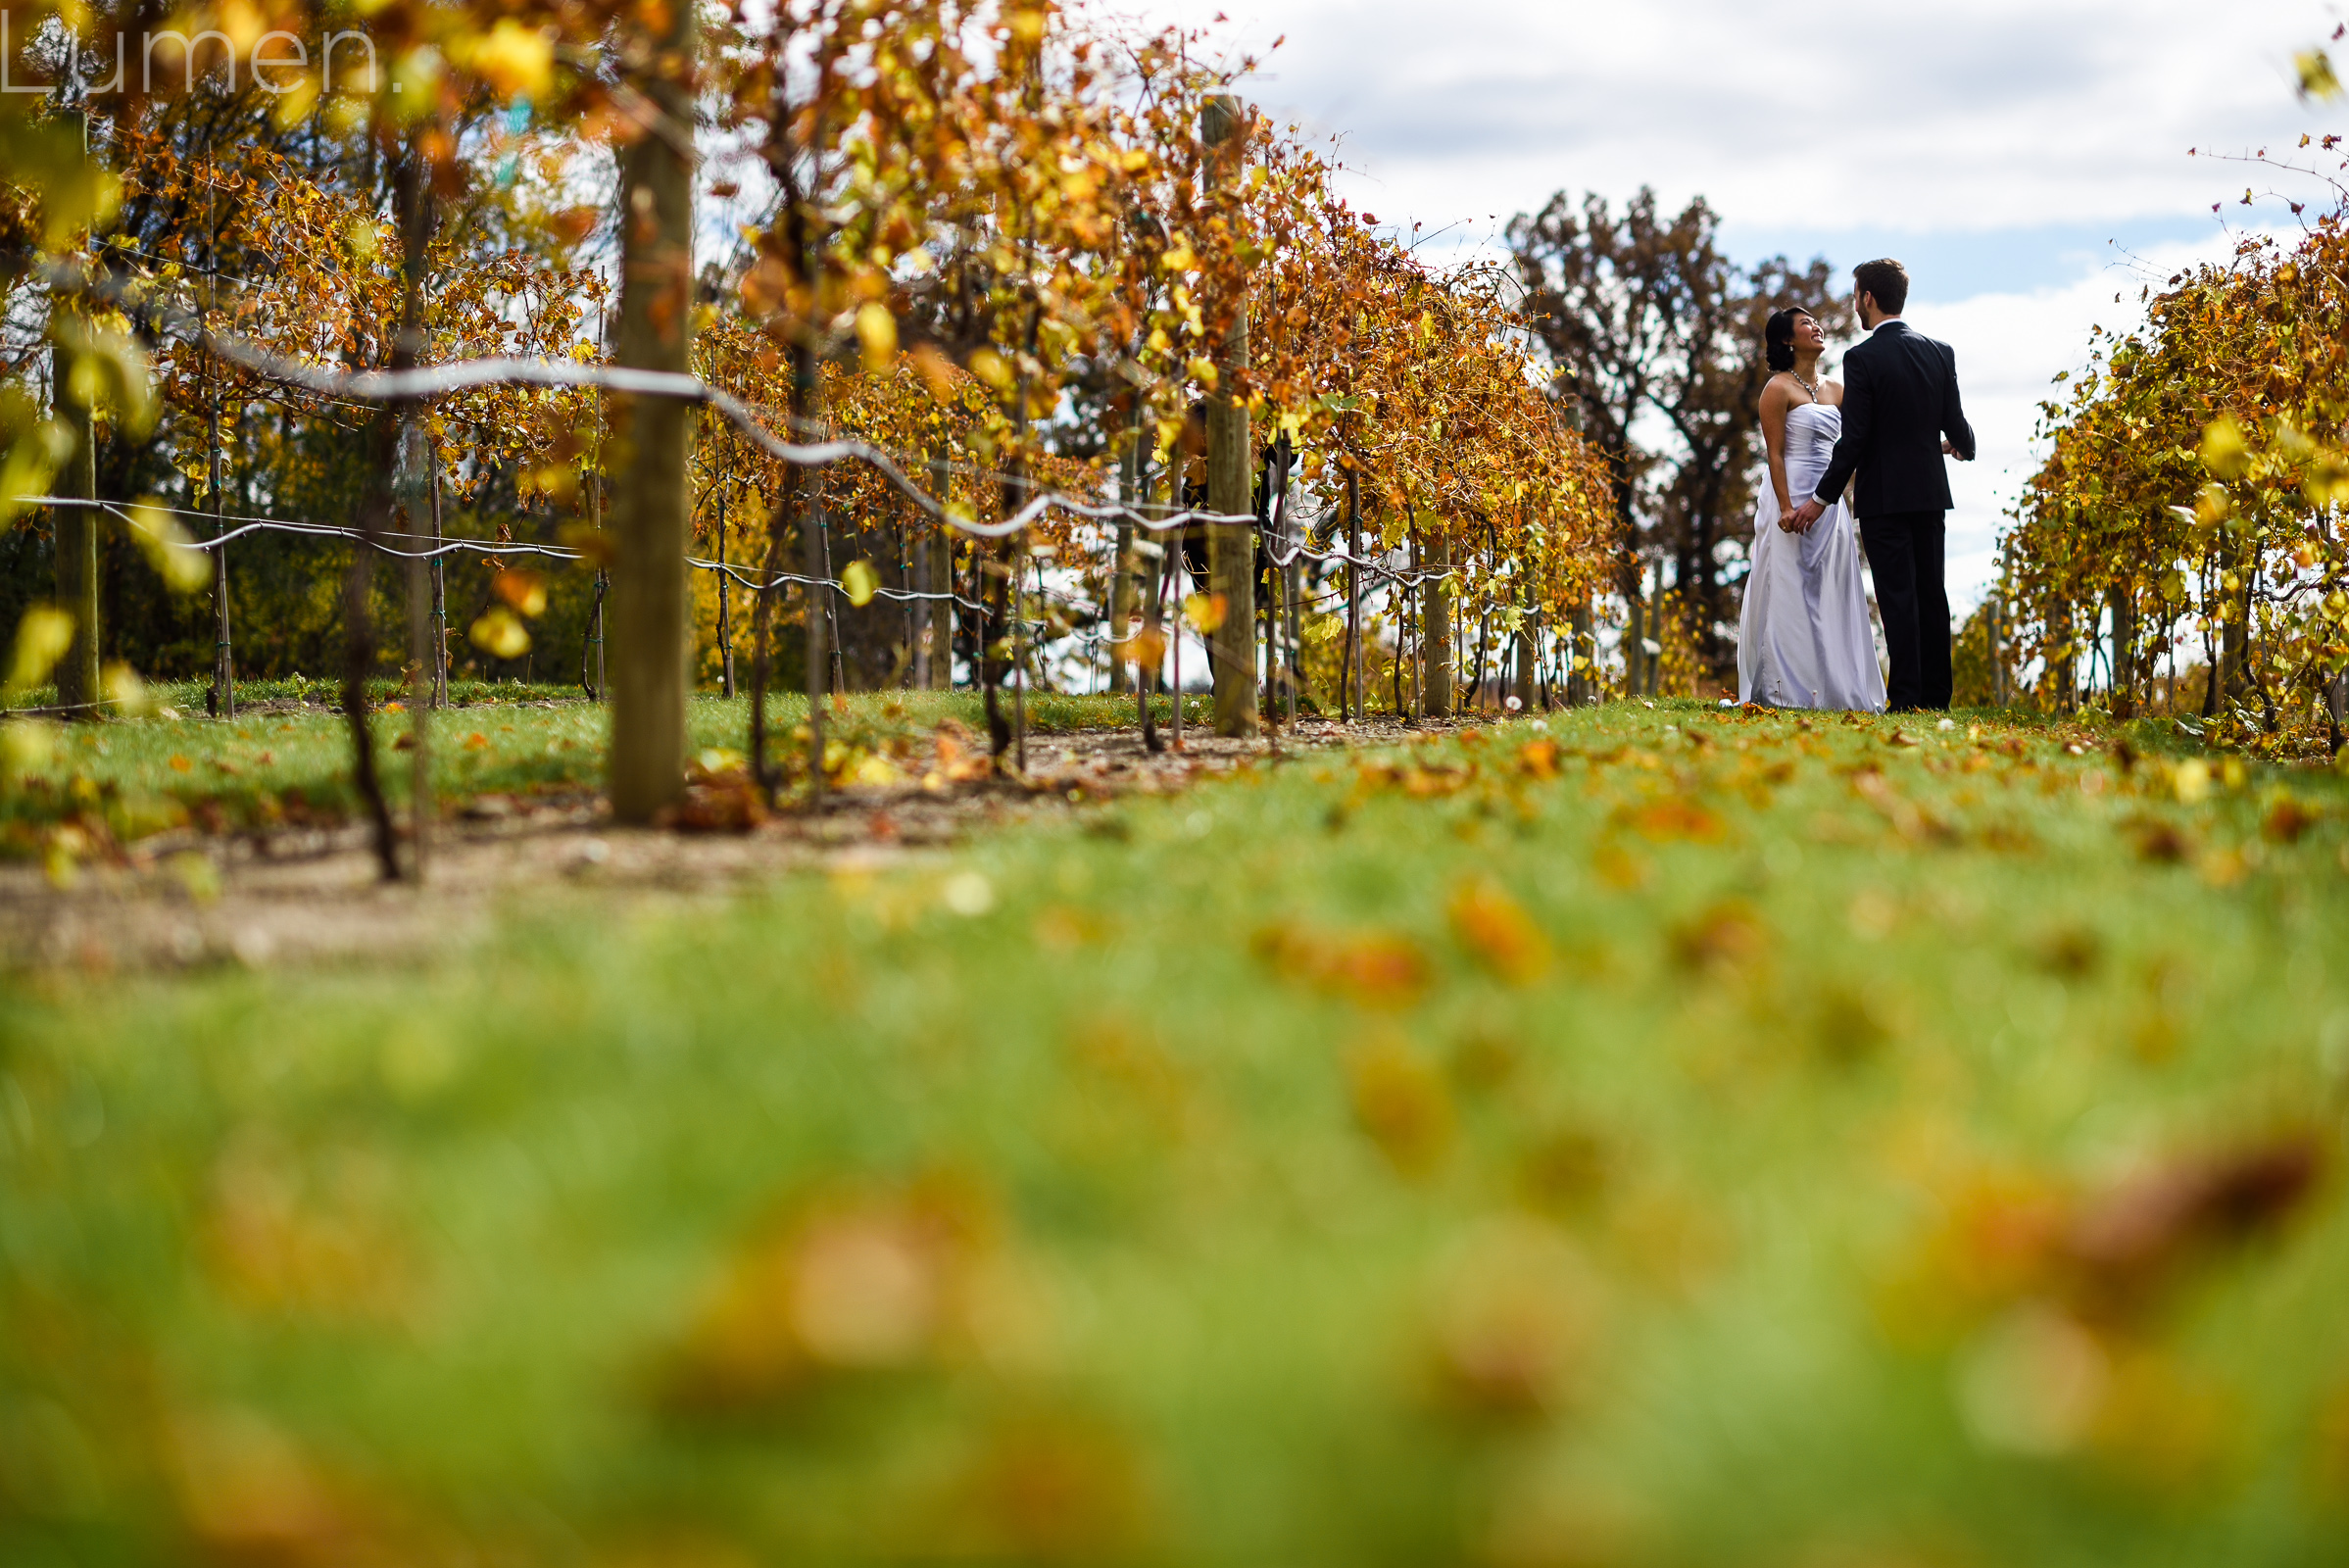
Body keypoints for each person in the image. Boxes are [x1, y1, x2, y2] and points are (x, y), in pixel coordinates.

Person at [1787, 258, 1976, 711]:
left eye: (1856, 296)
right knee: (1933, 594)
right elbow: (1958, 427)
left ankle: (1907, 698)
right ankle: (1937, 698)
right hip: (1931, 493)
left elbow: (1854, 440)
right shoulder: (1940, 351)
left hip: (1885, 498)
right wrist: (1960, 446)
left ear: (1867, 298)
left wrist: (1819, 500)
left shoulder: (1862, 357)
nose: (1855, 305)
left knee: (1898, 597)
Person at [1737, 306, 1886, 711]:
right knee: (1789, 587)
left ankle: (1833, 686)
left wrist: (1933, 445)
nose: (1817, 327)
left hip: (1829, 497)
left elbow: (1867, 438)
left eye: (1816, 322)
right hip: (1790, 490)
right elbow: (1775, 454)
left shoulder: (1838, 390)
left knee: (1829, 587)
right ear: (1788, 339)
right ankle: (1785, 688)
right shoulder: (1778, 388)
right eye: (1806, 324)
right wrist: (1785, 506)